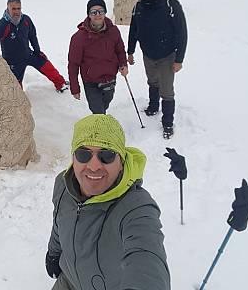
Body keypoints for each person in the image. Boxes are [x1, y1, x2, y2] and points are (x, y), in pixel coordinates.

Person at [45, 114, 171, 290]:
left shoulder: (136, 207)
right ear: (73, 158)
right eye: (83, 154)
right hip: (68, 281)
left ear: (121, 162)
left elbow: (147, 257)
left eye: (107, 155)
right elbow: (59, 222)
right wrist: (54, 252)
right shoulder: (63, 184)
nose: (94, 166)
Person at [127, 0, 188, 139]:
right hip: (148, 54)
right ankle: (153, 106)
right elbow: (134, 30)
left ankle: (167, 123)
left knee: (167, 90)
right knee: (152, 81)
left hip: (167, 55)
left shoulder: (171, 5)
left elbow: (182, 33)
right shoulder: (139, 7)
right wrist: (130, 51)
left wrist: (179, 59)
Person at [0, 0, 69, 92]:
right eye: (13, 9)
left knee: (46, 65)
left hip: (28, 54)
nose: (16, 11)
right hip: (13, 62)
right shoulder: (3, 24)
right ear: (8, 8)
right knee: (16, 89)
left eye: (19, 8)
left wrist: (37, 51)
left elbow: (32, 36)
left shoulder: (26, 20)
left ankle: (61, 84)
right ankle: (19, 102)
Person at [68, 0, 128, 114]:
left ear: (105, 13)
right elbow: (73, 64)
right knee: (98, 112)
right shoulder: (79, 38)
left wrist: (123, 64)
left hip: (110, 78)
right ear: (89, 15)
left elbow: (120, 50)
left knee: (105, 104)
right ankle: (100, 130)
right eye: (93, 12)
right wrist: (75, 87)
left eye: (101, 11)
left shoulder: (113, 31)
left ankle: (100, 121)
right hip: (91, 82)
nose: (97, 15)